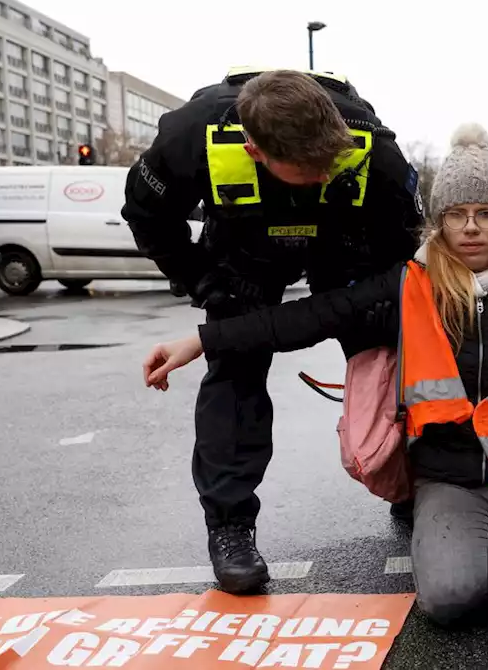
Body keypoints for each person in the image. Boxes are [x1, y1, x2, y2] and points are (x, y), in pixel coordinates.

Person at [139, 124, 488, 626]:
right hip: (447, 478)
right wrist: (200, 341)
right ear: (439, 220)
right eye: (457, 214)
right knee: (450, 601)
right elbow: (303, 318)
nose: (471, 227)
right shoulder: (407, 284)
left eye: (487, 213)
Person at [121, 67, 423, 595]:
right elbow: (146, 215)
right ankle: (231, 529)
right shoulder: (192, 135)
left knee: (399, 361)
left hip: (346, 246)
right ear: (256, 151)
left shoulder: (372, 145)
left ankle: (408, 484)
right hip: (243, 254)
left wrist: (377, 304)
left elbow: (403, 244)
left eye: (334, 161)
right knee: (234, 382)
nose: (329, 171)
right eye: (313, 168)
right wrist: (202, 282)